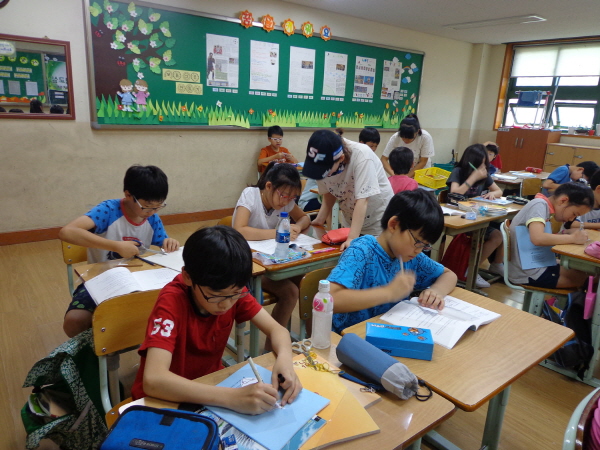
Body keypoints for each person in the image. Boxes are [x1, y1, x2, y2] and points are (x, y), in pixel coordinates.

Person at [131, 226, 301, 413]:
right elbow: (154, 380)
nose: (226, 304)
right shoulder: (171, 302)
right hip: (166, 398)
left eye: (235, 294)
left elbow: (277, 330)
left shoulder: (231, 290)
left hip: (210, 386)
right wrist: (232, 398)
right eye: (215, 296)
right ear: (188, 277)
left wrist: (285, 361)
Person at [58, 165, 180, 338]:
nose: (152, 212)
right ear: (128, 195)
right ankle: (99, 348)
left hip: (138, 281)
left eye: (158, 207)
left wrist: (169, 242)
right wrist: (116, 246)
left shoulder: (151, 217)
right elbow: (67, 232)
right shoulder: (108, 211)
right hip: (101, 278)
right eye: (147, 206)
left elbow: (163, 243)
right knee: (75, 321)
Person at [327, 190, 457, 333]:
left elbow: (449, 275)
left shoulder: (411, 257)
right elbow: (329, 299)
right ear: (394, 225)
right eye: (418, 242)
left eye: (425, 246)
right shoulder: (361, 252)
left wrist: (436, 291)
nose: (419, 250)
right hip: (349, 336)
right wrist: (388, 293)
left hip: (386, 332)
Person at [233, 162, 310, 339]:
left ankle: (309, 338)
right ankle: (273, 344)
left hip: (274, 261)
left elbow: (304, 218)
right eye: (283, 195)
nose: (286, 201)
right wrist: (277, 233)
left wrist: (297, 226)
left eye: (292, 197)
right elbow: (239, 230)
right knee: (291, 292)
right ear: (269, 186)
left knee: (307, 282)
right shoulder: (250, 195)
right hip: (249, 265)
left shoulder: (285, 202)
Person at [302, 129, 394, 250]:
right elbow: (329, 192)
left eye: (325, 170)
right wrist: (319, 220)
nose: (323, 174)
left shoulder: (362, 155)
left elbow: (363, 200)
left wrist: (352, 238)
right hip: (351, 221)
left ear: (341, 159)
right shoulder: (321, 160)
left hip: (377, 220)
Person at [508, 183, 593, 289]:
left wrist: (564, 233)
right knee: (591, 279)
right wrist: (573, 238)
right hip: (529, 272)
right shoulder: (539, 205)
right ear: (563, 200)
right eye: (574, 214)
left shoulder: (544, 207)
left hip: (538, 263)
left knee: (587, 272)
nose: (572, 219)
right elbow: (538, 239)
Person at [447, 144, 505, 287]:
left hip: (477, 217)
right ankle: (471, 270)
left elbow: (499, 191)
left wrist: (492, 194)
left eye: (485, 164)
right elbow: (455, 193)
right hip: (459, 218)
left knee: (503, 231)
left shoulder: (483, 174)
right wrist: (472, 178)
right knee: (496, 236)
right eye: (480, 164)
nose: (483, 168)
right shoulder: (459, 171)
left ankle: (496, 264)